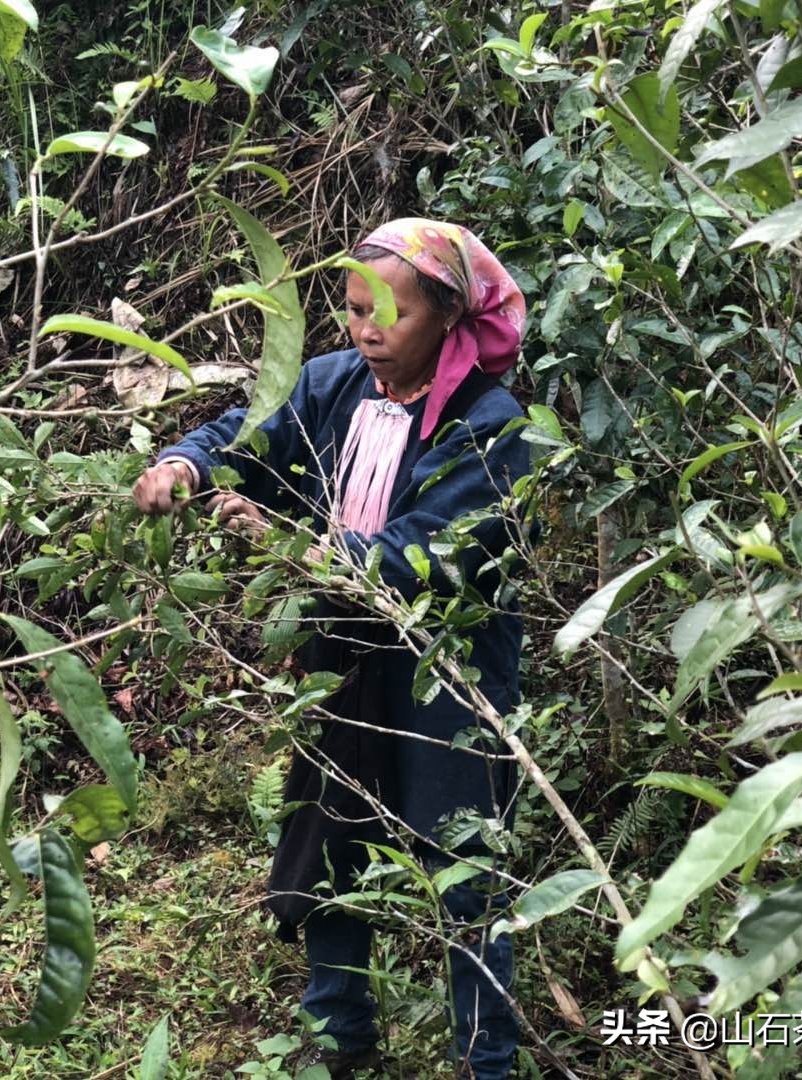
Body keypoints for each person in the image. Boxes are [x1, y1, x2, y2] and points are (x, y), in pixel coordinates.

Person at [131, 218, 531, 1079]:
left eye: (391, 314)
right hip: (340, 655)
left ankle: (483, 1058)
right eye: (353, 311)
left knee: (463, 862)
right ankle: (337, 1036)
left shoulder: (489, 425)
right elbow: (248, 431)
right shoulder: (328, 385)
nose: (367, 331)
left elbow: (430, 552)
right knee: (331, 835)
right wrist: (186, 466)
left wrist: (293, 550)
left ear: (451, 318)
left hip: (446, 672)